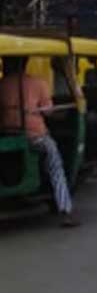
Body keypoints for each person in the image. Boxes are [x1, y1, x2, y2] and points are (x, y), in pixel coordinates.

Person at [0, 56, 78, 227]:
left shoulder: (2, 84)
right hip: (36, 135)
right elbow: (48, 112)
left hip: (7, 133)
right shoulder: (38, 83)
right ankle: (65, 210)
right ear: (25, 64)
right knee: (55, 164)